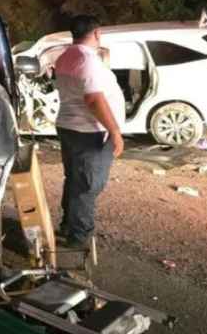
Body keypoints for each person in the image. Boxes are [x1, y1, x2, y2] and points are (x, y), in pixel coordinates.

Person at [54, 15, 125, 248]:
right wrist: (114, 131)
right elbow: (94, 99)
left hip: (71, 127)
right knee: (87, 185)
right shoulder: (87, 60)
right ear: (96, 33)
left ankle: (68, 225)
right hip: (89, 132)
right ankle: (79, 236)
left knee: (75, 179)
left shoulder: (67, 55)